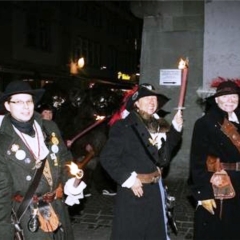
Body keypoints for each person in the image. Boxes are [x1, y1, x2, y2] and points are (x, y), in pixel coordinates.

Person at [0, 80, 86, 240]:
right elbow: (1, 194)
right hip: (28, 213)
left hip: (56, 206)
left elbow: (65, 158)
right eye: (18, 102)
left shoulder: (49, 127)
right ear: (7, 106)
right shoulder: (3, 141)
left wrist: (69, 180)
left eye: (28, 101)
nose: (25, 106)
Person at [99, 83, 183, 240]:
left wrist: (176, 130)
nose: (152, 102)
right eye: (147, 98)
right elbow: (107, 157)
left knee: (154, 232)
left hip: (156, 189)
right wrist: (128, 179)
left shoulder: (159, 125)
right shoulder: (124, 126)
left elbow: (163, 156)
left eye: (154, 98)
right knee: (132, 233)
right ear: (136, 103)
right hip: (134, 191)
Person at [189, 80, 240, 240]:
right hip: (220, 185)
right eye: (225, 96)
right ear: (216, 99)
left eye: (234, 96)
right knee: (218, 231)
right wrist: (203, 193)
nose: (230, 100)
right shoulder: (205, 123)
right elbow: (197, 161)